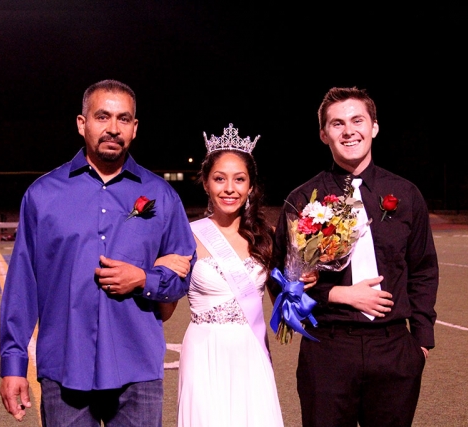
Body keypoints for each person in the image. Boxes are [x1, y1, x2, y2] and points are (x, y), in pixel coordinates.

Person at [0, 79, 196, 426]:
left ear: (134, 128)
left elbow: (185, 275)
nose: (113, 129)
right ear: (82, 123)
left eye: (123, 119)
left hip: (138, 370)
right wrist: (13, 364)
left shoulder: (161, 195)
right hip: (64, 368)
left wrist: (144, 279)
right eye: (102, 117)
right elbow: (21, 288)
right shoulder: (43, 195)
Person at [270, 87, 439, 427]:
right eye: (337, 123)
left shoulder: (405, 194)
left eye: (357, 120)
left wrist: (420, 342)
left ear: (374, 127)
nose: (349, 131)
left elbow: (423, 269)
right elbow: (281, 279)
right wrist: (336, 294)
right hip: (329, 348)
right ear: (323, 134)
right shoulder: (303, 199)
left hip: (394, 350)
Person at [159, 124, 284, 426]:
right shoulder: (186, 236)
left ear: (251, 185)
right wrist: (159, 272)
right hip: (204, 353)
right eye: (219, 178)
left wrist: (302, 282)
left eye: (239, 179)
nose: (230, 188)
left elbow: (284, 304)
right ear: (205, 182)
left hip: (251, 352)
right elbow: (164, 313)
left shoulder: (266, 236)